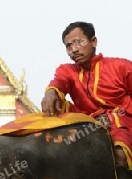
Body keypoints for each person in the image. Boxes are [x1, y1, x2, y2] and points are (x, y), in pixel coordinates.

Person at [41, 21, 132, 168]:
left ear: (93, 41)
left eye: (78, 42)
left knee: (120, 153)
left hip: (122, 122)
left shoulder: (122, 66)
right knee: (54, 106)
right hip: (86, 121)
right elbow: (59, 82)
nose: (73, 50)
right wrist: (50, 93)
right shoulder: (67, 70)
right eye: (68, 46)